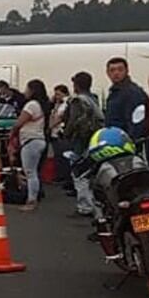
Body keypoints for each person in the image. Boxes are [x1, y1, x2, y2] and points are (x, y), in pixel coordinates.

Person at [64, 71, 104, 216]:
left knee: (79, 172)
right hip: (95, 138)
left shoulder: (77, 100)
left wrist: (67, 133)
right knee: (91, 171)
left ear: (76, 85)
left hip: (80, 139)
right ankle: (94, 204)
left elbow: (73, 120)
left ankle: (84, 206)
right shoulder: (94, 99)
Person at [12, 79, 51, 212]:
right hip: (39, 140)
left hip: (30, 141)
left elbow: (19, 122)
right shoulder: (42, 105)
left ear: (32, 90)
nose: (25, 92)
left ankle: (31, 200)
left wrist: (13, 132)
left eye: (27, 89)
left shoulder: (31, 105)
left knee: (30, 172)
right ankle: (34, 196)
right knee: (34, 172)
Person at [105, 57, 149, 140]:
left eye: (120, 69)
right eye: (112, 70)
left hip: (126, 141)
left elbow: (138, 120)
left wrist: (131, 140)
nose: (116, 73)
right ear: (107, 73)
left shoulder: (133, 92)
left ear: (127, 71)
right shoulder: (114, 92)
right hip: (115, 139)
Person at [50, 84, 72, 186]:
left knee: (63, 156)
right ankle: (60, 175)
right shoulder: (57, 104)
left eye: (58, 94)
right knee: (57, 156)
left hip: (61, 131)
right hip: (54, 132)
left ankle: (64, 176)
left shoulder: (67, 104)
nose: (56, 96)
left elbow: (61, 117)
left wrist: (51, 126)